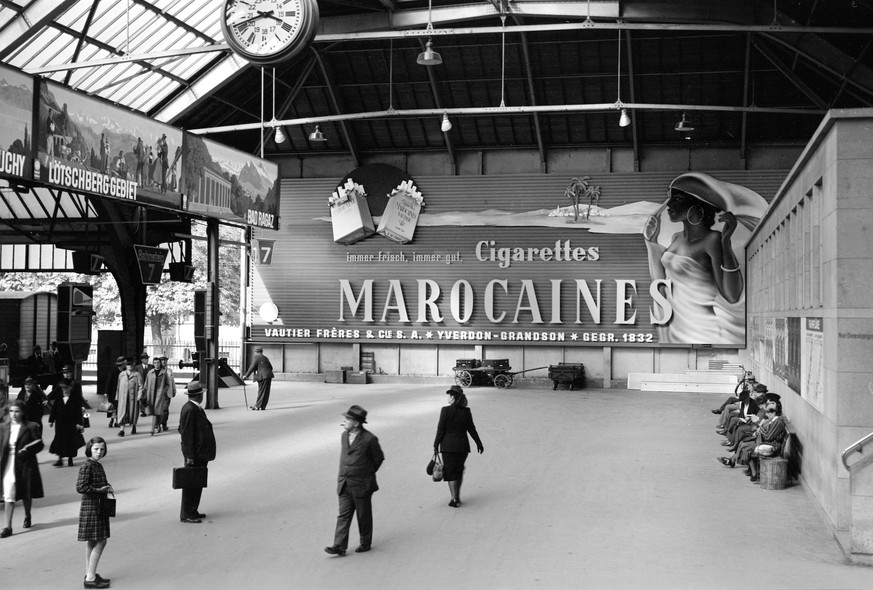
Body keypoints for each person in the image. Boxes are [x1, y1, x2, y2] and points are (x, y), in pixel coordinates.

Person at [643, 172, 768, 344]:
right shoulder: (676, 238)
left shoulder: (712, 240)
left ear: (697, 206)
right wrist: (650, 242)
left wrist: (725, 243)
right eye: (669, 198)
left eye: (677, 199)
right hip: (676, 327)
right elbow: (660, 283)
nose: (669, 205)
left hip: (702, 330)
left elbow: (732, 295)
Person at [325, 405, 384, 556]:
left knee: (363, 515)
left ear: (356, 423)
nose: (344, 421)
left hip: (362, 484)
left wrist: (366, 473)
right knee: (343, 515)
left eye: (347, 419)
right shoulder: (344, 436)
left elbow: (378, 458)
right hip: (344, 483)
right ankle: (339, 545)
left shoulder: (369, 439)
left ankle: (365, 542)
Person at [433, 385, 485, 507]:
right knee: (459, 470)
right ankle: (457, 496)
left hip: (448, 447)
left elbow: (440, 430)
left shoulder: (445, 410)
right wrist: (479, 443)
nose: (448, 397)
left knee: (451, 472)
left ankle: (454, 499)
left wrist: (435, 445)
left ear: (452, 397)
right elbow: (471, 429)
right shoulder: (466, 411)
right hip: (462, 447)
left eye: (449, 395)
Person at [0, 400, 45, 538]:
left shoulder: (31, 426)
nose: (13, 414)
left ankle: (27, 515)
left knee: (26, 491)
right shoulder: (3, 427)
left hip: (25, 463)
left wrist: (28, 449)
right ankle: (8, 526)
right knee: (9, 494)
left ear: (23, 412)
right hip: (7, 464)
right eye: (11, 411)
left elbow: (40, 444)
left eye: (17, 411)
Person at [77, 437, 113, 589]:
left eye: (102, 449)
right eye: (96, 449)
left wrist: (107, 487)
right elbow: (81, 487)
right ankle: (90, 578)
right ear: (89, 449)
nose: (99, 452)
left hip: (98, 506)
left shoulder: (96, 465)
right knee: (101, 540)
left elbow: (99, 483)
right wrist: (100, 490)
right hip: (92, 507)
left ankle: (90, 572)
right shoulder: (87, 466)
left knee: (92, 540)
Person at [178, 382, 216, 524]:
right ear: (199, 395)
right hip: (194, 454)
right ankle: (187, 513)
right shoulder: (190, 410)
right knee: (191, 484)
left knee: (197, 482)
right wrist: (189, 456)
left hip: (199, 453)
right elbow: (187, 435)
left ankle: (193, 510)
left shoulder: (193, 408)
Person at [48, 378, 86, 467]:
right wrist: (51, 420)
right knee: (59, 439)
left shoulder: (75, 398)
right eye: (62, 388)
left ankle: (70, 459)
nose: (64, 390)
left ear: (70, 388)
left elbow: (78, 412)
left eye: (65, 388)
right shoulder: (58, 396)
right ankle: (59, 459)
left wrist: (79, 423)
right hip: (60, 422)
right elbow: (54, 409)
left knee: (70, 441)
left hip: (71, 423)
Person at [140, 356, 175, 435]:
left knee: (157, 411)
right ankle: (157, 425)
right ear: (153, 364)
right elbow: (146, 384)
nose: (156, 364)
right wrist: (144, 393)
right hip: (151, 394)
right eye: (155, 363)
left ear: (160, 363)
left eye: (158, 363)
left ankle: (154, 428)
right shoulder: (150, 372)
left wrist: (164, 391)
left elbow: (167, 384)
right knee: (155, 411)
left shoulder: (164, 372)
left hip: (160, 395)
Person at [115, 358, 142, 437]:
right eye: (128, 365)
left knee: (133, 412)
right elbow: (118, 386)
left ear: (133, 365)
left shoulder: (137, 375)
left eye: (131, 364)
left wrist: (139, 396)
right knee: (122, 412)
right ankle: (122, 429)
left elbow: (141, 386)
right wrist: (117, 396)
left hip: (133, 397)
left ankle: (133, 426)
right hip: (123, 397)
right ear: (125, 366)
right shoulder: (121, 375)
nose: (129, 366)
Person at [242, 346, 274, 411]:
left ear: (256, 352)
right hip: (269, 376)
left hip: (262, 376)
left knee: (261, 391)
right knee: (266, 392)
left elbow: (252, 367)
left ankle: (257, 406)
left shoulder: (256, 357)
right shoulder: (265, 358)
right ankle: (262, 406)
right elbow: (271, 367)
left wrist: (246, 375)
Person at [102, 357, 125, 428]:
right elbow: (109, 382)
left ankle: (117, 421)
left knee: (120, 407)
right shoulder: (114, 371)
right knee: (112, 407)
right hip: (113, 392)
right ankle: (112, 420)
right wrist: (106, 392)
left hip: (121, 391)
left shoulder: (125, 371)